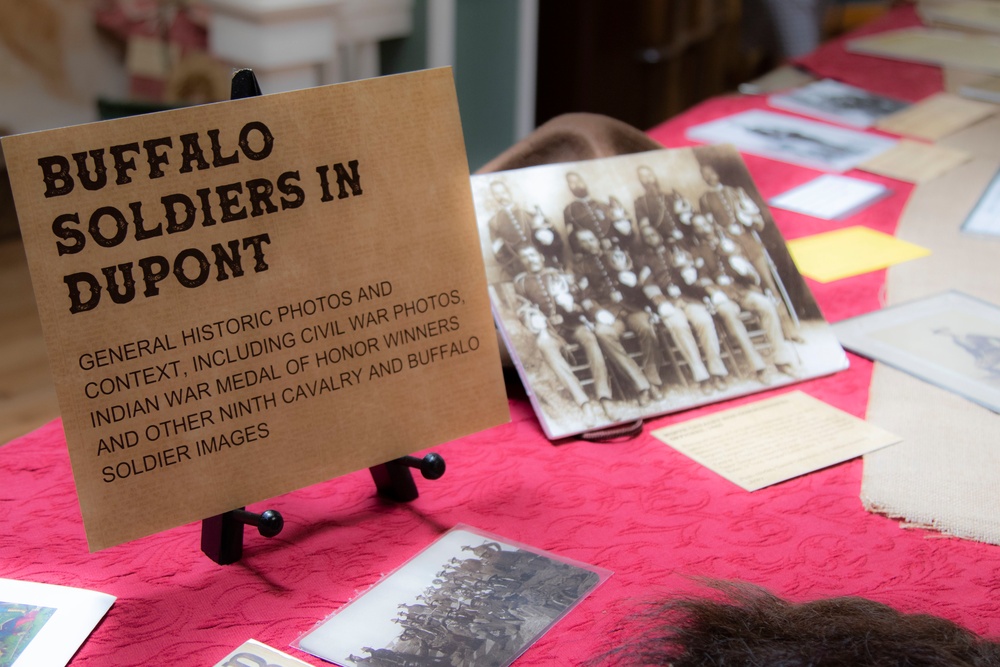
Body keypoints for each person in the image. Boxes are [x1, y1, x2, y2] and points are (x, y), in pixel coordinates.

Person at [513, 245, 623, 422]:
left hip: (572, 325)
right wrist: (533, 318)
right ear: (521, 262)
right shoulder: (521, 283)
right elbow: (521, 307)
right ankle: (584, 404)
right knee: (544, 344)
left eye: (533, 255)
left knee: (589, 336)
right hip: (549, 330)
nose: (530, 259)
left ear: (541, 257)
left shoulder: (558, 275)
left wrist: (570, 302)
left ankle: (605, 398)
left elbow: (581, 299)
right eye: (525, 257)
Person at [698, 164, 803, 342]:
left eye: (711, 172)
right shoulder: (705, 200)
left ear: (717, 173)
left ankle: (790, 331)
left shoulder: (737, 192)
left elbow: (758, 222)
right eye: (705, 175)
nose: (709, 177)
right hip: (732, 252)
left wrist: (747, 220)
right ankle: (773, 334)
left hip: (751, 246)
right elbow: (711, 227)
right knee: (754, 289)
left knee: (770, 286)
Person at [690, 212, 798, 380]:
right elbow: (701, 278)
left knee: (766, 306)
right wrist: (714, 291)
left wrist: (742, 268)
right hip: (721, 296)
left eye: (703, 224)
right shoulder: (696, 251)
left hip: (742, 289)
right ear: (694, 231)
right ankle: (758, 367)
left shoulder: (730, 241)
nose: (702, 229)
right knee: (729, 314)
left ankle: (781, 359)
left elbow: (746, 268)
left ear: (710, 222)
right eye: (697, 227)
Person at [573, 228, 665, 402]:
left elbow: (639, 277)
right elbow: (585, 297)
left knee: (647, 328)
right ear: (578, 245)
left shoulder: (616, 254)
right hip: (608, 312)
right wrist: (597, 312)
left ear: (597, 239)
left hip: (631, 306)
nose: (589, 244)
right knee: (603, 333)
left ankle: (653, 381)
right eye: (583, 241)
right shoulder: (580, 267)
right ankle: (641, 385)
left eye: (591, 239)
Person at [634, 225, 729, 393]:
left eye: (653, 234)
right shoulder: (644, 259)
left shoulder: (678, 250)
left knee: (705, 321)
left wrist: (691, 277)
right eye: (646, 236)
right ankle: (702, 376)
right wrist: (660, 302)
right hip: (668, 303)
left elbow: (696, 275)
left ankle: (716, 371)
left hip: (688, 297)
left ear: (660, 235)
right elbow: (647, 285)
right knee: (678, 326)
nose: (651, 238)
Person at [487, 180, 563, 276]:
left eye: (503, 192)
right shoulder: (494, 222)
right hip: (522, 269)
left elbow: (553, 238)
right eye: (496, 194)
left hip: (546, 261)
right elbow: (499, 253)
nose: (501, 197)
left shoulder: (529, 210)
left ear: (509, 192)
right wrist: (516, 271)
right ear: (493, 197)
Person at [563, 171, 625, 254]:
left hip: (615, 249)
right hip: (591, 254)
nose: (577, 184)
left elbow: (616, 227)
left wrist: (612, 240)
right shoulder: (569, 211)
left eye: (579, 180)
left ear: (584, 182)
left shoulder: (602, 205)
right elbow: (572, 237)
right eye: (572, 182)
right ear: (569, 187)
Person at [633, 165, 691, 248]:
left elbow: (688, 217)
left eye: (649, 175)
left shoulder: (671, 196)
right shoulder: (640, 203)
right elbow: (645, 228)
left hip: (687, 237)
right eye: (643, 177)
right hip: (665, 244)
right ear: (640, 181)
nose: (648, 179)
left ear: (654, 177)